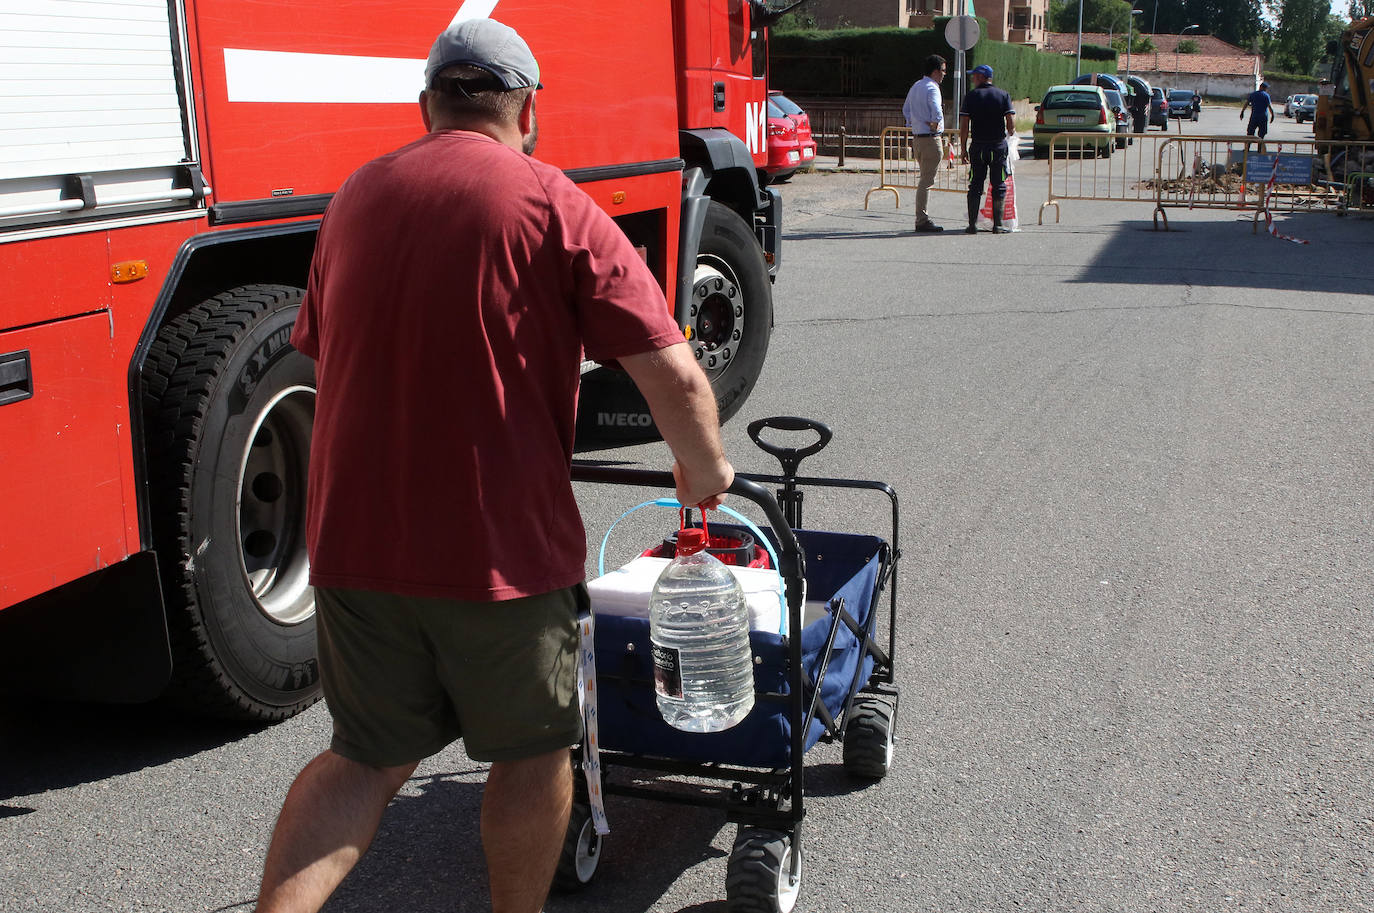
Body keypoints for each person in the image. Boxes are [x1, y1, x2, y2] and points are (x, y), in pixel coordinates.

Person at [252, 18, 735, 913]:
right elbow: (672, 371)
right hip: (498, 557)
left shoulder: (354, 197)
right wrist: (704, 470)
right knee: (531, 751)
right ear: (527, 109)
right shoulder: (550, 199)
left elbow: (326, 357)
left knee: (363, 759)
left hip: (354, 546)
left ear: (428, 103)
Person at [958, 64, 1015, 235]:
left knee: (975, 184)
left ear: (982, 77)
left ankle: (971, 225)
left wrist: (963, 148)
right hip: (997, 146)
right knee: (998, 184)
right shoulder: (1003, 95)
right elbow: (1010, 121)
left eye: (974, 76)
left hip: (978, 147)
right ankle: (997, 225)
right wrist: (1011, 132)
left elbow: (964, 125)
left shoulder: (971, 96)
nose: (973, 79)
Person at [902, 54, 948, 233]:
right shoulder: (932, 88)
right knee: (927, 181)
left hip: (918, 139)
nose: (944, 74)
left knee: (924, 178)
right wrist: (935, 122)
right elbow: (937, 110)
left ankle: (922, 217)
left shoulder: (916, 86)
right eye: (943, 71)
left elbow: (906, 109)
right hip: (930, 138)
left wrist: (912, 123)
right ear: (936, 71)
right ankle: (922, 219)